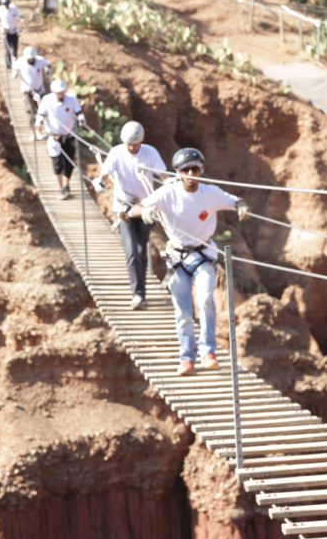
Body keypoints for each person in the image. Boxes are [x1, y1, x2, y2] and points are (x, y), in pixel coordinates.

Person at [129, 148, 247, 375]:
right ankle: (186, 358)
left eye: (195, 168)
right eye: (186, 169)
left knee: (205, 300)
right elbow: (137, 207)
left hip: (204, 256)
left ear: (201, 170)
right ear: (179, 172)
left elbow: (234, 200)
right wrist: (145, 212)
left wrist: (241, 205)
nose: (191, 173)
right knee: (183, 312)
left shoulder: (210, 193)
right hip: (177, 257)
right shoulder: (167, 193)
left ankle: (208, 352)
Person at [95, 121, 166, 310]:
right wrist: (100, 181)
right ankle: (137, 295)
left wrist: (172, 187)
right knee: (132, 252)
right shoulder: (117, 152)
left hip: (144, 209)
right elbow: (106, 172)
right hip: (124, 209)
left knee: (142, 252)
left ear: (141, 142)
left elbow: (163, 175)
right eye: (129, 144)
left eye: (135, 144)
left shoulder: (150, 153)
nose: (132, 147)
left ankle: (141, 294)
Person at [35, 79, 85, 200]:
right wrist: (38, 124)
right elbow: (40, 114)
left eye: (62, 92)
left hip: (69, 136)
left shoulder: (71, 99)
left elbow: (79, 112)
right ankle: (60, 187)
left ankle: (67, 185)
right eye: (58, 93)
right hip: (54, 137)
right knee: (57, 163)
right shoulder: (47, 100)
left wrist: (81, 118)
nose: (60, 95)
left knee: (69, 163)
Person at [17, 45, 52, 122]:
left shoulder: (40, 60)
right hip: (28, 90)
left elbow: (49, 63)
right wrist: (15, 73)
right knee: (30, 107)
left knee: (43, 107)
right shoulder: (21, 62)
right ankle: (33, 123)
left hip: (39, 89)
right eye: (29, 59)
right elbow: (15, 68)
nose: (31, 60)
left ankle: (44, 123)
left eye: (32, 58)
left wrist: (49, 70)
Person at [0, 0, 23, 72]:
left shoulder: (13, 8)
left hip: (14, 31)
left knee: (15, 49)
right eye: (5, 4)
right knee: (7, 50)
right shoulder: (0, 10)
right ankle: (8, 66)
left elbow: (20, 15)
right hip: (6, 32)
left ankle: (15, 66)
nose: (6, 6)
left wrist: (22, 19)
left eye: (7, 4)